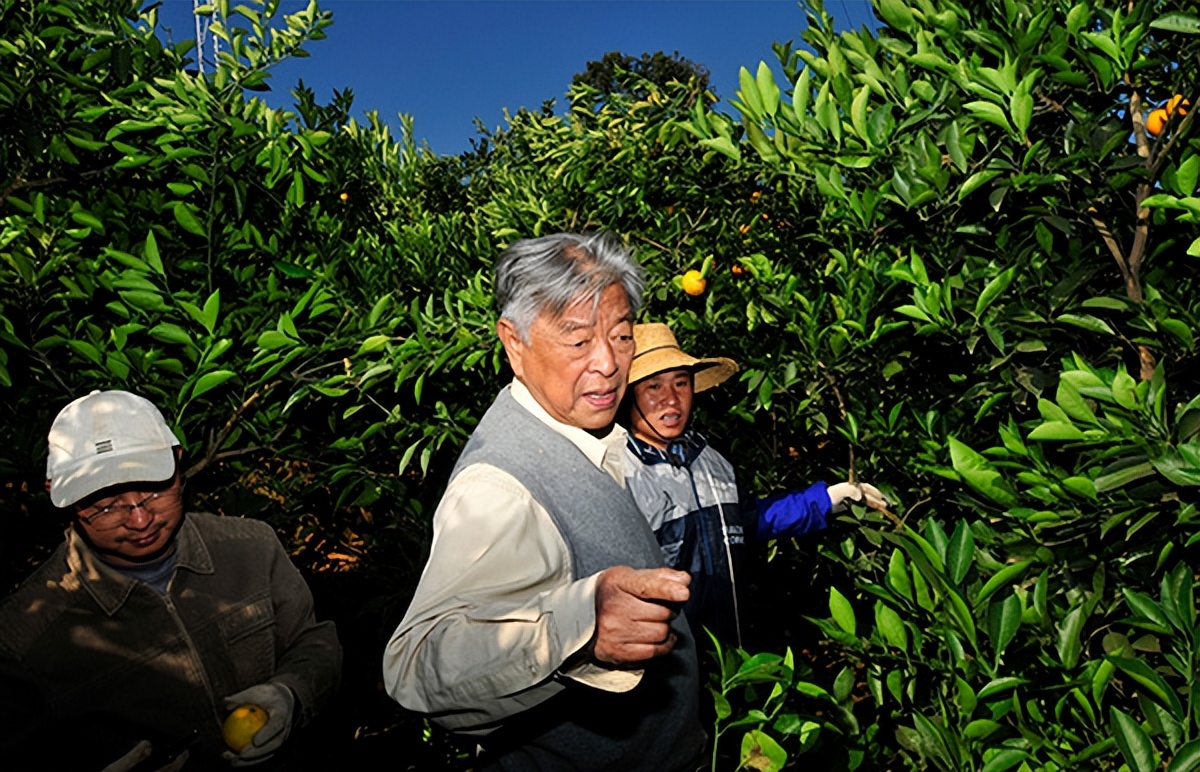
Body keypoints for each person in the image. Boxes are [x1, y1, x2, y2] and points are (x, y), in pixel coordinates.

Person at [383, 233, 706, 771]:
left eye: (622, 335)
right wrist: (579, 626)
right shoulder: (499, 486)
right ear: (514, 343)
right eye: (578, 341)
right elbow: (415, 667)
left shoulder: (585, 436)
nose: (608, 362)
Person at [0, 390, 342, 770]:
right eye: (106, 505)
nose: (140, 520)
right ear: (61, 497)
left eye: (154, 489)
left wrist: (291, 693)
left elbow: (313, 641)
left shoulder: (251, 548)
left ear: (178, 462)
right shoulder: (25, 633)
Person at [622, 323, 888, 650]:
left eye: (681, 383)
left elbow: (750, 520)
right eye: (653, 386)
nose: (672, 399)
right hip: (668, 660)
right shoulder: (621, 474)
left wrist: (825, 500)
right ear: (629, 397)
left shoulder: (711, 461)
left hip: (731, 650)